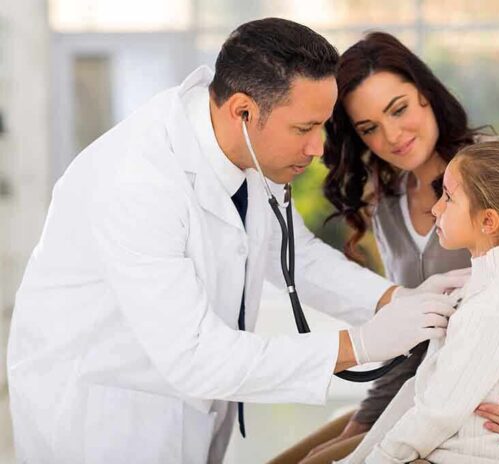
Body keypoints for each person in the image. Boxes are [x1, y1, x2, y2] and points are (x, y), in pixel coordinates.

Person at [6, 19, 463, 464]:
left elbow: (293, 255)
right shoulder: (137, 182)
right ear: (243, 110)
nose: (318, 148)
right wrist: (359, 346)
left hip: (188, 408)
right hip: (106, 418)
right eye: (304, 129)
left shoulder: (249, 149)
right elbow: (194, 355)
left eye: (321, 126)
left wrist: (398, 299)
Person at [269, 32, 499, 464]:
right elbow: (414, 334)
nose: (392, 136)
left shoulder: (497, 171)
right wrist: (366, 417)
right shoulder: (385, 201)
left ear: (426, 93)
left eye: (398, 109)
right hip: (430, 396)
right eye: (369, 128)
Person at [341, 140, 499, 463]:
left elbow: (438, 413)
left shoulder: (493, 309)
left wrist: (379, 458)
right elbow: (425, 389)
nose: (435, 208)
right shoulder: (480, 288)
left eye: (448, 198)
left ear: (488, 222)